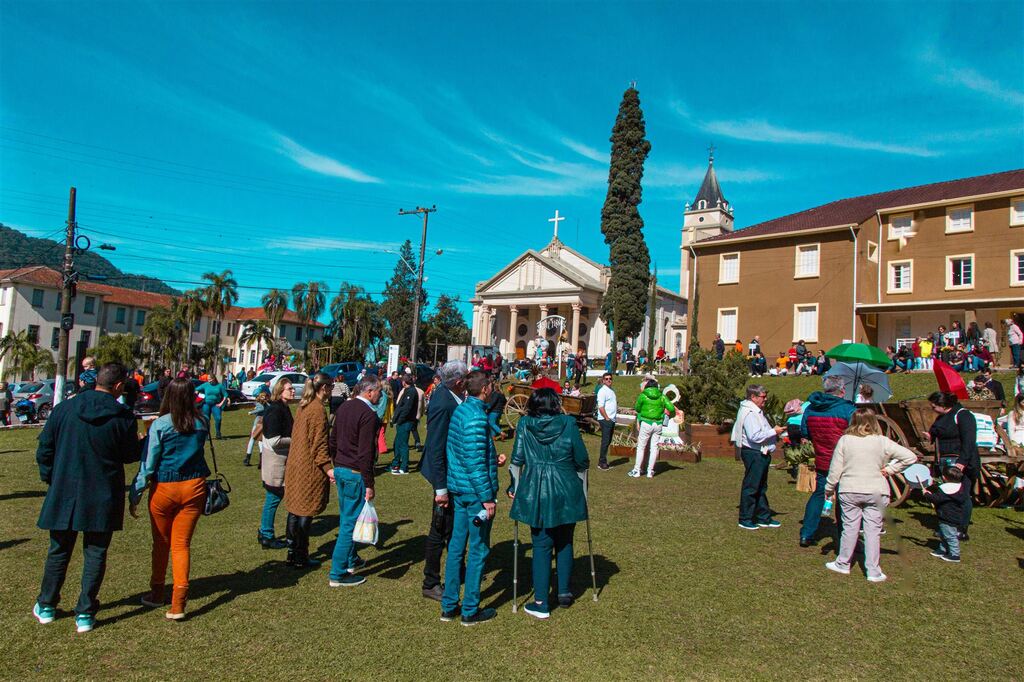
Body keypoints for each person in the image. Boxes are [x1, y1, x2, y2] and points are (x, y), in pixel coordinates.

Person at [32, 363, 141, 633]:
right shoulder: (122, 416)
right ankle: (84, 611)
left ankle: (47, 604)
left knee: (59, 550)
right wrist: (141, 441)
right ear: (117, 386)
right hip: (101, 492)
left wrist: (51, 476)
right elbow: (129, 455)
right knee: (94, 553)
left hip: (66, 488)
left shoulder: (64, 409)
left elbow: (45, 448)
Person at [129, 377, 211, 619]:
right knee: (181, 544)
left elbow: (149, 462)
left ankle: (157, 592)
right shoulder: (202, 422)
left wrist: (136, 492)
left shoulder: (161, 424)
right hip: (194, 486)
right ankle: (179, 601)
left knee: (161, 543)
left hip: (165, 486)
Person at [508, 388, 589, 619]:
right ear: (556, 404)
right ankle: (562, 592)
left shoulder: (524, 424)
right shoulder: (569, 423)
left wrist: (513, 486)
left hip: (537, 490)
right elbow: (582, 458)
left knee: (542, 544)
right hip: (566, 488)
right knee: (564, 541)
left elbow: (517, 460)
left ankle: (542, 601)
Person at [822, 410, 916, 582]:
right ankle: (873, 571)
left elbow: (835, 469)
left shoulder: (845, 440)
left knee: (850, 528)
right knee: (873, 531)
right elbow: (910, 457)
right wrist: (890, 470)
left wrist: (829, 489)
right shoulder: (882, 442)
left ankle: (843, 563)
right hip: (877, 490)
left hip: (850, 488)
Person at [441, 371, 499, 626]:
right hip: (474, 493)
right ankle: (470, 609)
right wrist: (487, 497)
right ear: (485, 389)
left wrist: (491, 458)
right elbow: (474, 462)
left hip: (460, 488)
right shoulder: (475, 417)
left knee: (456, 546)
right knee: (477, 549)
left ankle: (449, 604)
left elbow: (463, 451)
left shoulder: (462, 411)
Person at [420, 360, 468, 602]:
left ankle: (457, 570)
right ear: (459, 382)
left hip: (451, 473)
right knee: (439, 529)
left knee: (451, 527)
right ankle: (431, 581)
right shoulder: (443, 401)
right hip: (444, 476)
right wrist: (441, 488)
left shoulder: (450, 396)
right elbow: (436, 446)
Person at [328, 375, 381, 587]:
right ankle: (338, 573)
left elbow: (332, 439)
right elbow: (365, 452)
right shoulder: (367, 414)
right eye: (378, 391)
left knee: (347, 517)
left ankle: (350, 560)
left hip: (341, 468)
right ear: (369, 392)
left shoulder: (344, 408)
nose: (380, 395)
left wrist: (336, 464)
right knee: (349, 524)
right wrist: (369, 483)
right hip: (354, 472)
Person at [282, 373, 334, 569]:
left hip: (295, 463)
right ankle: (300, 555)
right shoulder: (318, 410)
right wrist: (328, 469)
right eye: (330, 387)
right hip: (308, 468)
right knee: (305, 511)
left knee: (294, 510)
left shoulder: (303, 406)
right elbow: (319, 446)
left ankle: (292, 551)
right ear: (324, 388)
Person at [798, 375, 857, 547]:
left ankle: (806, 533)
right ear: (842, 390)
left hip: (823, 458)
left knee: (819, 494)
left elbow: (805, 432)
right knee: (844, 499)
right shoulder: (847, 409)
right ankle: (845, 538)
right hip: (845, 460)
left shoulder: (811, 408)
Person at [924, 391, 979, 540]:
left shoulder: (963, 415)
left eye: (934, 406)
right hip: (945, 460)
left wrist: (962, 462)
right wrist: (931, 436)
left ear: (943, 405)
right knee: (946, 492)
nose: (932, 408)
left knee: (962, 495)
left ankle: (961, 529)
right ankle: (948, 527)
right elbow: (939, 431)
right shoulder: (942, 417)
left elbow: (969, 441)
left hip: (960, 461)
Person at [732, 384, 784, 530]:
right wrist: (774, 432)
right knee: (751, 486)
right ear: (753, 397)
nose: (765, 399)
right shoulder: (749, 413)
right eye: (763, 396)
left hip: (761, 452)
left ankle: (763, 517)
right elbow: (754, 436)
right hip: (753, 453)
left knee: (761, 486)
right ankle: (745, 518)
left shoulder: (757, 411)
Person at [257, 379, 294, 550]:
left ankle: (265, 533)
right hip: (275, 461)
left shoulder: (284, 408)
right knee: (273, 497)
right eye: (289, 389)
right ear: (280, 391)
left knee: (274, 497)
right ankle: (266, 534)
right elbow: (273, 440)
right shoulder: (275, 410)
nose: (293, 391)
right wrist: (296, 441)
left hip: (281, 460)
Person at [630, 380, 679, 478]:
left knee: (641, 447)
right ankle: (650, 471)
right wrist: (670, 416)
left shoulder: (643, 396)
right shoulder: (662, 397)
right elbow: (672, 409)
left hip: (646, 422)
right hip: (658, 424)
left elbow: (637, 408)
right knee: (654, 448)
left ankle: (637, 470)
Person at [922, 467, 969, 563]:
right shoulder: (961, 488)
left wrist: (927, 494)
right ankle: (942, 549)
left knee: (950, 536)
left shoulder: (945, 489)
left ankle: (955, 554)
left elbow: (936, 499)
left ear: (944, 477)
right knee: (944, 534)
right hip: (955, 515)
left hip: (947, 516)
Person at [390, 374, 420, 475]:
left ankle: (404, 467)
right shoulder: (407, 391)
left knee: (403, 444)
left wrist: (400, 420)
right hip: (402, 422)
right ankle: (395, 464)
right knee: (397, 443)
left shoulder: (411, 391)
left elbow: (406, 408)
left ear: (404, 381)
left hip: (406, 422)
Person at [595, 372, 617, 471]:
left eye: (610, 379)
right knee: (605, 441)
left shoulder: (611, 390)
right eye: (606, 379)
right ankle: (602, 462)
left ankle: (603, 460)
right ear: (603, 380)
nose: (609, 380)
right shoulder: (602, 391)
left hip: (611, 419)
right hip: (605, 419)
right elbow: (600, 406)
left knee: (608, 441)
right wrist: (606, 417)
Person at [244, 391, 269, 466]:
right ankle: (261, 459)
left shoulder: (259, 403)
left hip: (258, 423)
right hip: (265, 423)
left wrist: (251, 412)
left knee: (252, 439)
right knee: (260, 440)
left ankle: (247, 459)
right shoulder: (268, 404)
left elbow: (260, 408)